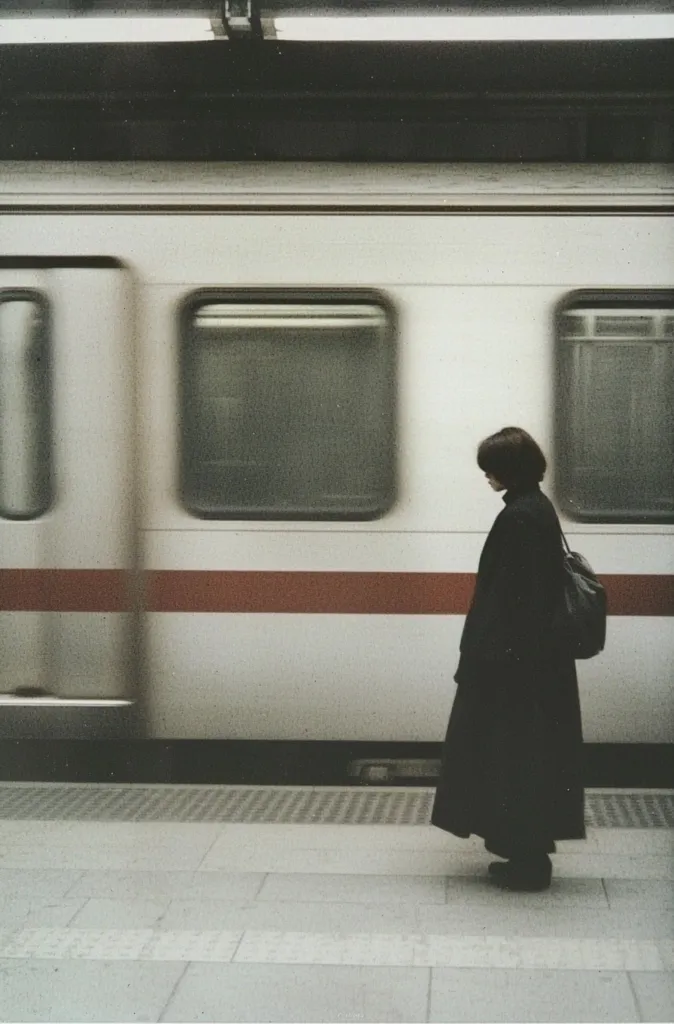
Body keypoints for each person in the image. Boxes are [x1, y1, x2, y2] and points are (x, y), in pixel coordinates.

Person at [431, 426, 585, 891]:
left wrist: (475, 660)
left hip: (514, 668)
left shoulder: (519, 517)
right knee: (526, 761)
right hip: (535, 665)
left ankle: (528, 863)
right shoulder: (536, 508)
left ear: (510, 469)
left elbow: (504, 601)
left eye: (491, 468)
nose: (487, 477)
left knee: (514, 760)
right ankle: (525, 854)